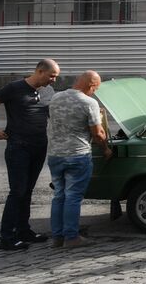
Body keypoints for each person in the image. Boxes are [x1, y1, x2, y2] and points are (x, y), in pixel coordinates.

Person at [0, 58, 60, 251]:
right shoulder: (13, 88)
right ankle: (6, 238)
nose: (54, 80)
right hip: (19, 147)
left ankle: (24, 231)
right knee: (17, 192)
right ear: (40, 71)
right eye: (52, 76)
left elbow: (52, 115)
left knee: (28, 191)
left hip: (39, 146)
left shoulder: (47, 91)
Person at [45, 70, 111, 249]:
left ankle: (57, 237)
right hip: (77, 155)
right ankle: (72, 237)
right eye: (95, 89)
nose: (95, 92)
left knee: (59, 196)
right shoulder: (89, 102)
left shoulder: (56, 98)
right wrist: (106, 149)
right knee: (73, 197)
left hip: (55, 155)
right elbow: (97, 133)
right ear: (91, 85)